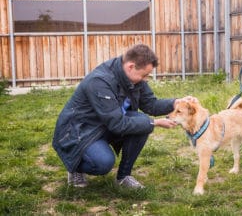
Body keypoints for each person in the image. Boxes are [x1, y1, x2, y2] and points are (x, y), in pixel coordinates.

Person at [53, 44, 194, 189]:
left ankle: (123, 177)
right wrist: (155, 123)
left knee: (143, 122)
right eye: (144, 75)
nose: (145, 79)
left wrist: (176, 102)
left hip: (105, 125)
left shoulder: (133, 78)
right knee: (103, 163)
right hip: (80, 132)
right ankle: (76, 167)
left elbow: (150, 104)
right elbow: (117, 124)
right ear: (131, 66)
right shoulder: (100, 82)